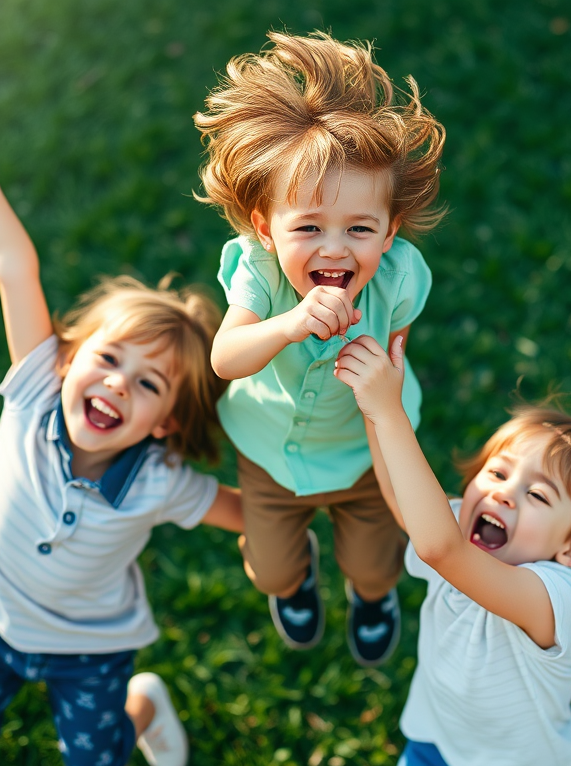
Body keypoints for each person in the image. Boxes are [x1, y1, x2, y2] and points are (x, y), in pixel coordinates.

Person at [0, 111, 243, 766]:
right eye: (110, 358)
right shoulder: (35, 387)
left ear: (167, 425)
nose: (119, 385)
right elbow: (14, 267)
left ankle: (143, 707)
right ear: (66, 357)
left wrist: (297, 531)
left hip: (88, 649)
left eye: (149, 386)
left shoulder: (160, 480)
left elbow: (249, 513)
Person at [193, 31, 444, 666]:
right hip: (270, 453)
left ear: (388, 233)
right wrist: (289, 324)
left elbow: (397, 353)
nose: (335, 248)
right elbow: (226, 358)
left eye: (360, 228)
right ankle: (296, 578)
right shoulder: (259, 271)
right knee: (270, 570)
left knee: (377, 563)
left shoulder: (401, 278)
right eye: (307, 227)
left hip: (365, 456)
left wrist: (383, 388)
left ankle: (372, 598)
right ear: (265, 229)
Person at [335, 335, 571, 766]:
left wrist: (390, 412)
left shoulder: (557, 596)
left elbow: (440, 549)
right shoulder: (459, 528)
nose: (504, 495)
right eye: (497, 472)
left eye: (537, 495)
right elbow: (402, 499)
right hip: (435, 740)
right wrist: (370, 406)